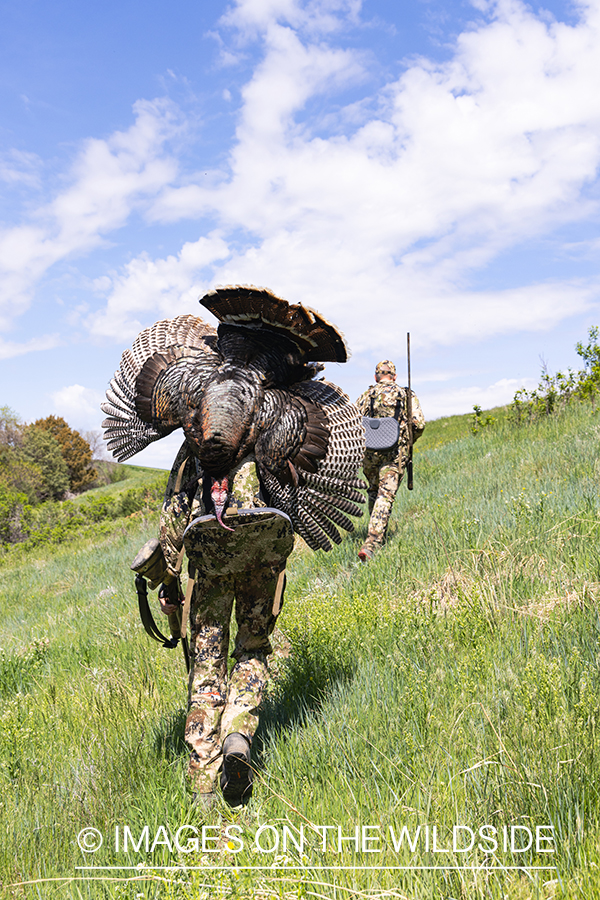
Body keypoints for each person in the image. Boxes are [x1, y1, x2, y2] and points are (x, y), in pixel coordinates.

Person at [156, 443, 293, 808]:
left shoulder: (196, 438)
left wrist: (169, 579)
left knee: (207, 665)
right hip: (261, 553)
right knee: (252, 650)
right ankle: (237, 736)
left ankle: (203, 783)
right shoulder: (265, 427)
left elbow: (175, 510)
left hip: (211, 559)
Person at [355, 360, 425, 561]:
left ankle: (375, 532)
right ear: (394, 376)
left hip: (369, 453)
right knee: (385, 496)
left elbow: (355, 423)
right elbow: (419, 424)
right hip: (394, 454)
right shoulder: (406, 395)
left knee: (373, 491)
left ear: (376, 377)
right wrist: (408, 443)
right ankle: (372, 543)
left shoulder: (366, 395)